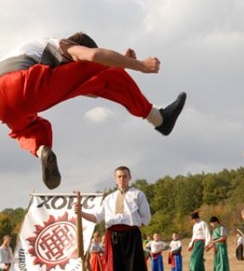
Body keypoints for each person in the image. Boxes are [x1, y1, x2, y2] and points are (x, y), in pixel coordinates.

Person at [0, 32, 187, 189]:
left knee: (28, 129)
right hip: (22, 84)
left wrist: (120, 62)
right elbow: (94, 57)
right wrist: (140, 66)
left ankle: (42, 151)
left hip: (5, 101)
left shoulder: (31, 52)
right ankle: (159, 119)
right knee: (107, 72)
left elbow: (87, 87)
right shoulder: (61, 44)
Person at [75, 166, 151, 271]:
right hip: (113, 237)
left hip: (131, 236)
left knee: (134, 266)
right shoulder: (109, 198)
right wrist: (81, 213)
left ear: (130, 177)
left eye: (125, 176)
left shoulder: (138, 194)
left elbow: (146, 217)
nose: (122, 179)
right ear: (115, 179)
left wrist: (131, 227)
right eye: (119, 176)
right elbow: (97, 218)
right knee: (114, 267)